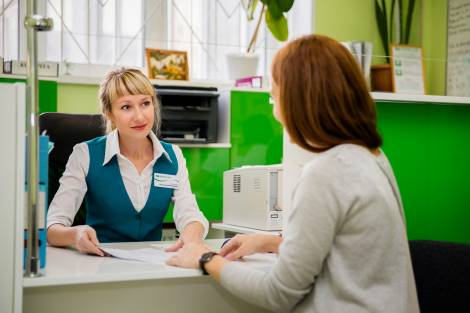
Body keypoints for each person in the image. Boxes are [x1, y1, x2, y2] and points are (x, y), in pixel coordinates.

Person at [167, 34, 420, 313]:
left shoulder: (325, 174)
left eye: (274, 98)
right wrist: (274, 243)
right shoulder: (372, 156)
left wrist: (205, 257)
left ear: (300, 103)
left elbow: (276, 293)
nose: (275, 112)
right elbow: (351, 256)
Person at [47, 68, 208, 256]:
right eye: (126, 107)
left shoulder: (173, 156)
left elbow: (190, 213)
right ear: (109, 113)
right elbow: (52, 228)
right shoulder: (85, 154)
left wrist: (192, 233)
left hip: (152, 266)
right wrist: (75, 234)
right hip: (98, 264)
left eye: (145, 103)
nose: (139, 116)